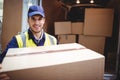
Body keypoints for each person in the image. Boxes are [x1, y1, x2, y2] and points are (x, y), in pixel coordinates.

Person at [0, 5, 57, 79]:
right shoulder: (18, 40)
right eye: (33, 19)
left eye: (40, 19)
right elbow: (2, 61)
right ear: (28, 20)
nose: (36, 23)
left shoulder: (53, 40)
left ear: (44, 20)